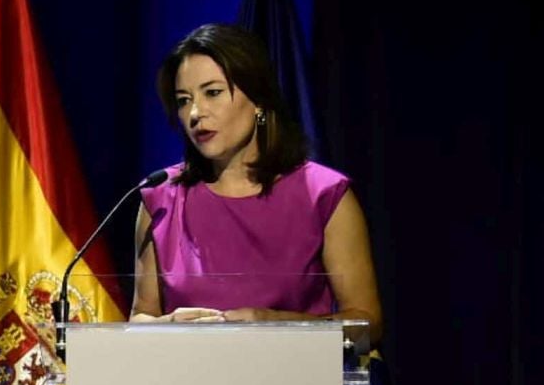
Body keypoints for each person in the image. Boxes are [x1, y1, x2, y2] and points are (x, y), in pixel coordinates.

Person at [133, 22, 383, 349]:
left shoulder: (323, 195)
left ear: (259, 100)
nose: (195, 113)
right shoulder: (161, 197)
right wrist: (164, 328)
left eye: (213, 92)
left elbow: (367, 326)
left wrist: (277, 325)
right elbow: (140, 316)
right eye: (183, 100)